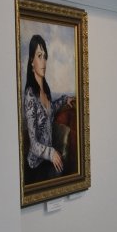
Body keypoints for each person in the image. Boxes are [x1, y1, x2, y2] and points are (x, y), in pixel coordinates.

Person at [22, 34, 75, 182]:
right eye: (39, 56)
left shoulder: (45, 90)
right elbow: (33, 145)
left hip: (47, 162)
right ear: (31, 61)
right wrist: (51, 153)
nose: (43, 61)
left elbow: (51, 110)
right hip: (35, 166)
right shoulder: (30, 95)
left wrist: (65, 99)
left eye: (45, 56)